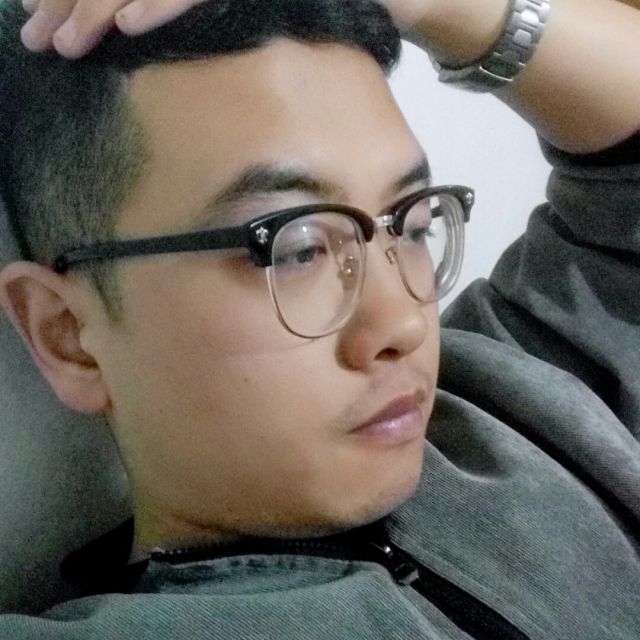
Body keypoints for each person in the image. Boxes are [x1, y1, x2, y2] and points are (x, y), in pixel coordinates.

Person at [0, 0, 638, 637]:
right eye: (297, 249)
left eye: (412, 225)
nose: (405, 325)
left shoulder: (514, 396)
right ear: (67, 336)